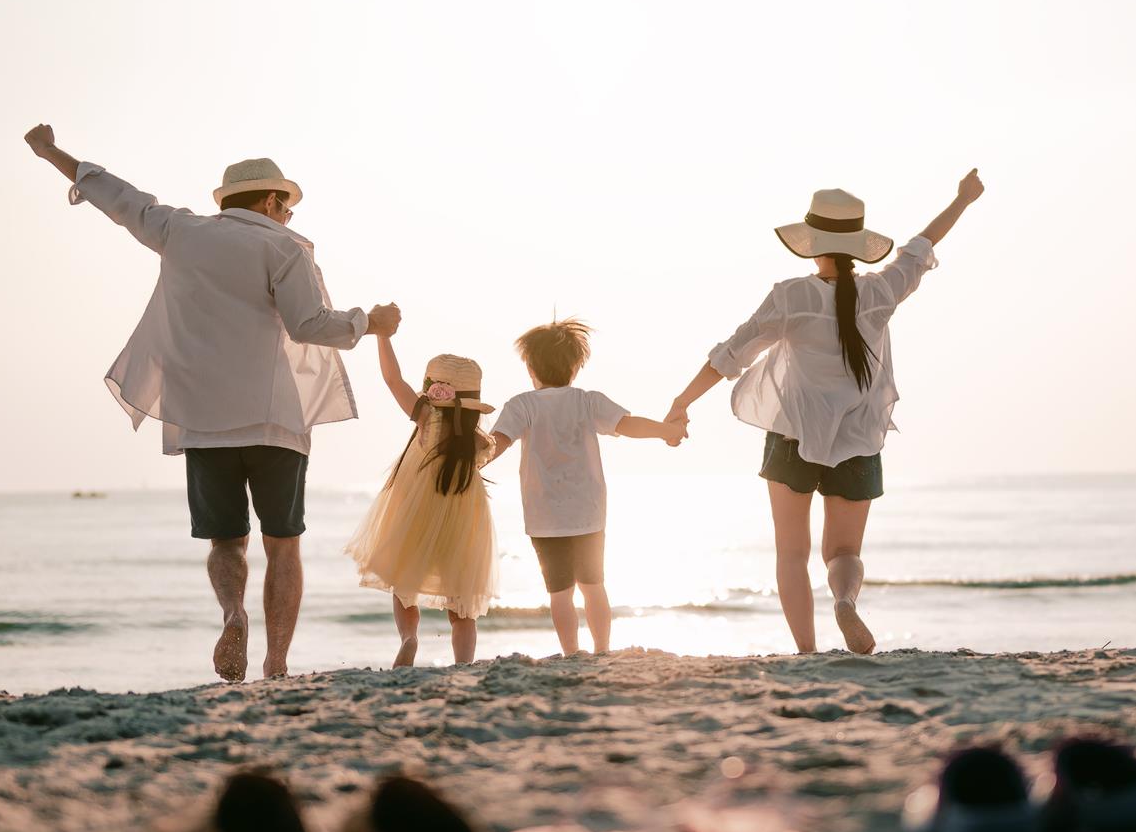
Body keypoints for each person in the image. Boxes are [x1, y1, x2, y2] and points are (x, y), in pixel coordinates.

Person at [22, 124, 398, 683]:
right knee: (283, 544)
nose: (290, 217)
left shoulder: (179, 230)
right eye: (287, 207)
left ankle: (232, 613)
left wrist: (52, 153)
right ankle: (276, 664)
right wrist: (368, 322)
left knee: (226, 540)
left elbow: (117, 197)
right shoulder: (283, 247)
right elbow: (308, 325)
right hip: (274, 420)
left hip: (202, 419)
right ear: (270, 201)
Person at [666, 170, 986, 654]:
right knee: (843, 552)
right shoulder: (882, 292)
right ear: (857, 246)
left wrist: (681, 403)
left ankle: (807, 653)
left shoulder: (791, 296)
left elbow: (731, 356)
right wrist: (962, 199)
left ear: (811, 243)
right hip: (858, 438)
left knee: (791, 554)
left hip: (793, 435)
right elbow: (921, 246)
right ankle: (844, 600)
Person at [487, 319, 687, 657]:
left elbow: (497, 444)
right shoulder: (587, 401)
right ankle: (602, 649)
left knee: (559, 593)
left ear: (531, 367)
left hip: (544, 516)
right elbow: (629, 424)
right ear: (575, 367)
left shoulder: (521, 405)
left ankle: (570, 652)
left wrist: (465, 462)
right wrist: (666, 430)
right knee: (594, 586)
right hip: (588, 513)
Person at [345, 345, 499, 666]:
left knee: (404, 584)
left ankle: (409, 638)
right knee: (462, 604)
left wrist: (383, 337)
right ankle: (464, 664)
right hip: (464, 519)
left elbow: (392, 379)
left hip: (417, 510)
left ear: (432, 391)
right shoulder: (479, 440)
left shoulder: (426, 417)